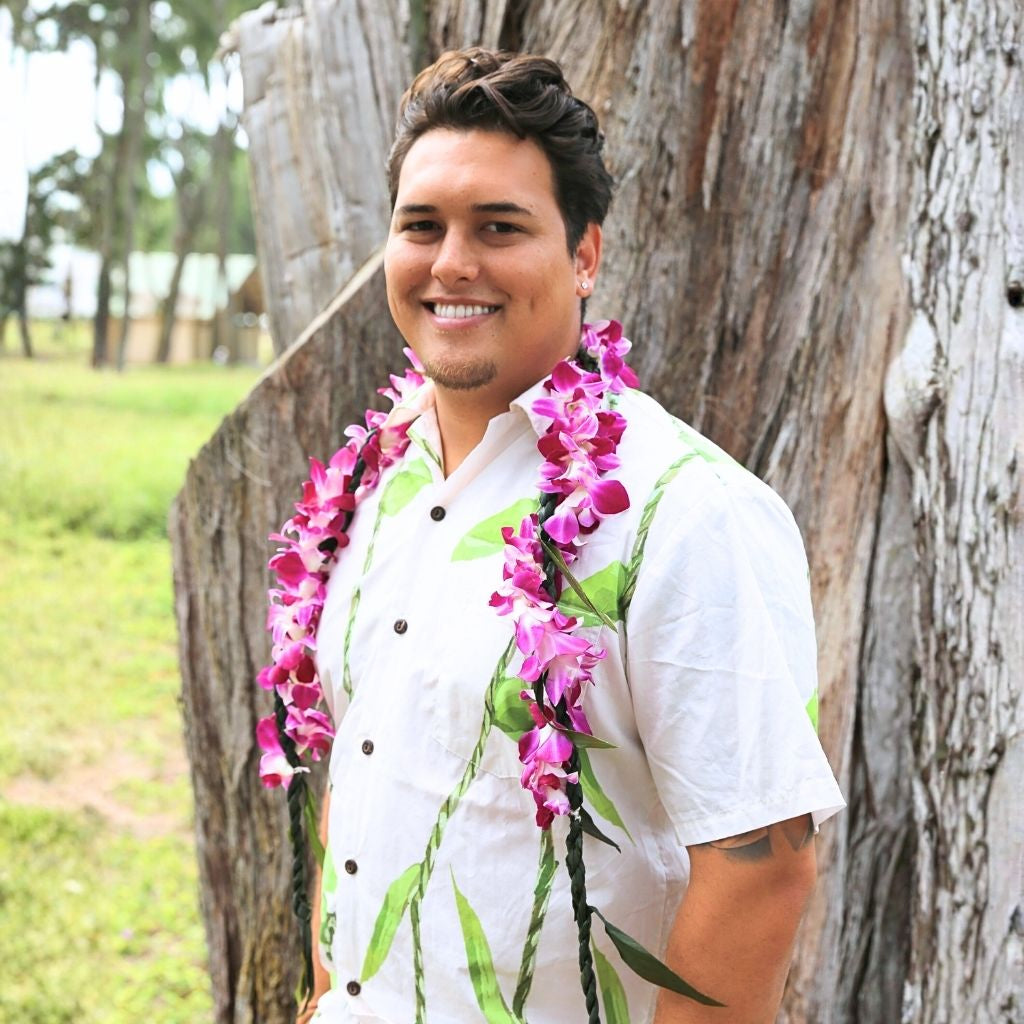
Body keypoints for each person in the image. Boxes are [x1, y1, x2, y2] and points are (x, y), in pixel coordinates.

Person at [264, 47, 845, 1024]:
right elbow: (363, 763)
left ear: (584, 256)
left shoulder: (679, 507)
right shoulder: (368, 488)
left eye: (499, 227)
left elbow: (763, 859)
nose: (451, 263)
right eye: (422, 227)